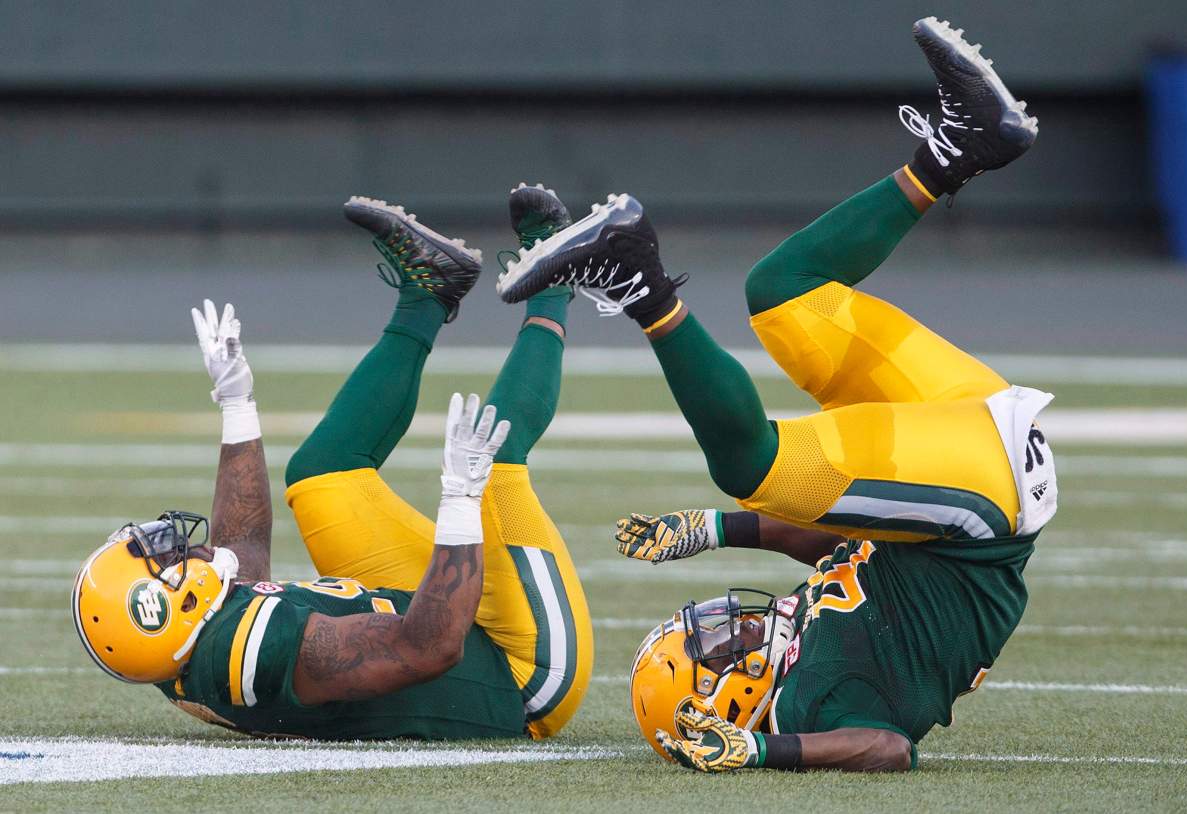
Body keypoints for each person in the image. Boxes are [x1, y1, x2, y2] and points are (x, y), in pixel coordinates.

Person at [498, 18, 1055, 771]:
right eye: (716, 649)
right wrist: (766, 748)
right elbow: (886, 747)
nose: (727, 628)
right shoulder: (814, 701)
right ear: (726, 698)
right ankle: (638, 281)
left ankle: (956, 150)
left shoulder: (815, 640)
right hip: (980, 504)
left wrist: (712, 529)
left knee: (786, 294)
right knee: (751, 461)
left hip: (975, 438)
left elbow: (830, 539)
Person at [71, 185, 592, 740]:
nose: (174, 545)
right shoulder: (257, 652)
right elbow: (430, 647)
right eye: (163, 562)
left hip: (438, 617)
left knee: (321, 475)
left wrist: (236, 404)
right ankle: (555, 280)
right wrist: (460, 496)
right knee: (496, 459)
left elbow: (242, 552)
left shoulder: (179, 647)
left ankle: (429, 291)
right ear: (165, 608)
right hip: (520, 674)